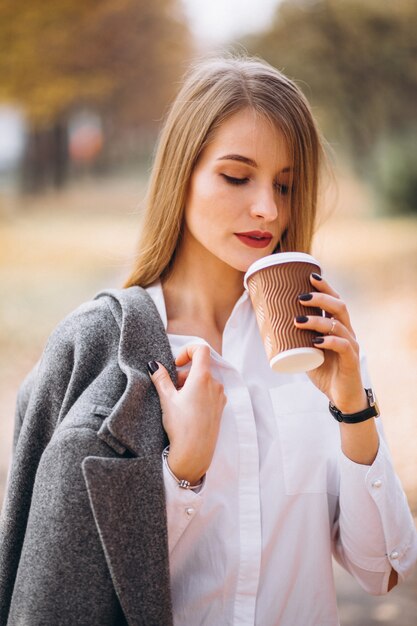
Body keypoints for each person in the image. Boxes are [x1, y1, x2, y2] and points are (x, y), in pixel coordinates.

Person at [0, 55, 416, 626]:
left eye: (286, 185)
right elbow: (74, 582)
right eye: (236, 176)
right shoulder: (98, 348)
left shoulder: (320, 345)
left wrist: (352, 406)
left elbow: (382, 571)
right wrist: (183, 473)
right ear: (182, 174)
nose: (267, 208)